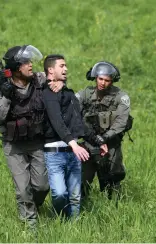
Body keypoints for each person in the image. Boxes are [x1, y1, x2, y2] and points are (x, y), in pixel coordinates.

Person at [0, 45, 64, 228]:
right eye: (25, 62)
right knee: (23, 189)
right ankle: (30, 226)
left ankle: (34, 206)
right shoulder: (1, 88)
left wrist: (60, 83)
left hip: (37, 142)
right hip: (14, 146)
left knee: (42, 186)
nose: (30, 65)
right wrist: (7, 96)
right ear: (16, 68)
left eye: (31, 61)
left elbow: (58, 78)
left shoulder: (39, 79)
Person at [42, 54, 104, 219]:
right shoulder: (47, 94)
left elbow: (79, 123)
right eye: (61, 66)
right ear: (50, 70)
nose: (66, 69)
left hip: (73, 153)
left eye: (65, 65)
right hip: (54, 153)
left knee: (75, 197)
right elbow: (57, 121)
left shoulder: (68, 94)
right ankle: (59, 220)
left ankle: (73, 229)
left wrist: (97, 141)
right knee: (60, 194)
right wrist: (74, 144)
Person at [76, 61, 131, 200]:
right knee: (83, 179)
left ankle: (115, 208)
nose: (102, 83)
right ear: (95, 77)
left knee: (113, 178)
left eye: (107, 80)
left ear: (112, 81)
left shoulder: (120, 97)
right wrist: (92, 137)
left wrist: (105, 138)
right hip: (89, 143)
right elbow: (73, 112)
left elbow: (121, 121)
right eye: (100, 79)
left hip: (111, 144)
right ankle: (82, 207)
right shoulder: (85, 94)